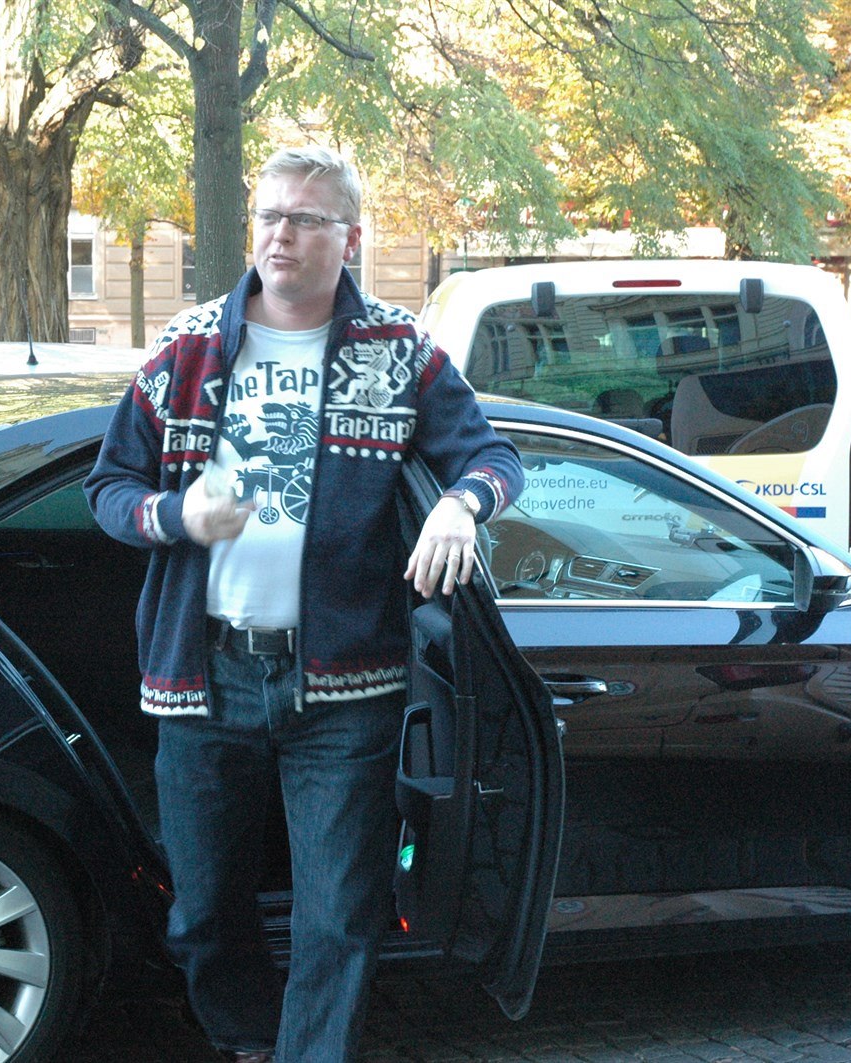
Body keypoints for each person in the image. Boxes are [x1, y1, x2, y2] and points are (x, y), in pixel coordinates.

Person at [85, 147, 523, 1062]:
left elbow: (494, 457)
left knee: (338, 918)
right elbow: (109, 486)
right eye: (270, 215)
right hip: (203, 678)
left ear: (349, 238)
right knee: (202, 914)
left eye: (306, 219)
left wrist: (460, 504)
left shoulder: (398, 350)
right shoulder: (186, 348)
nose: (281, 234)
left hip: (346, 687)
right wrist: (176, 514)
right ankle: (250, 1038)